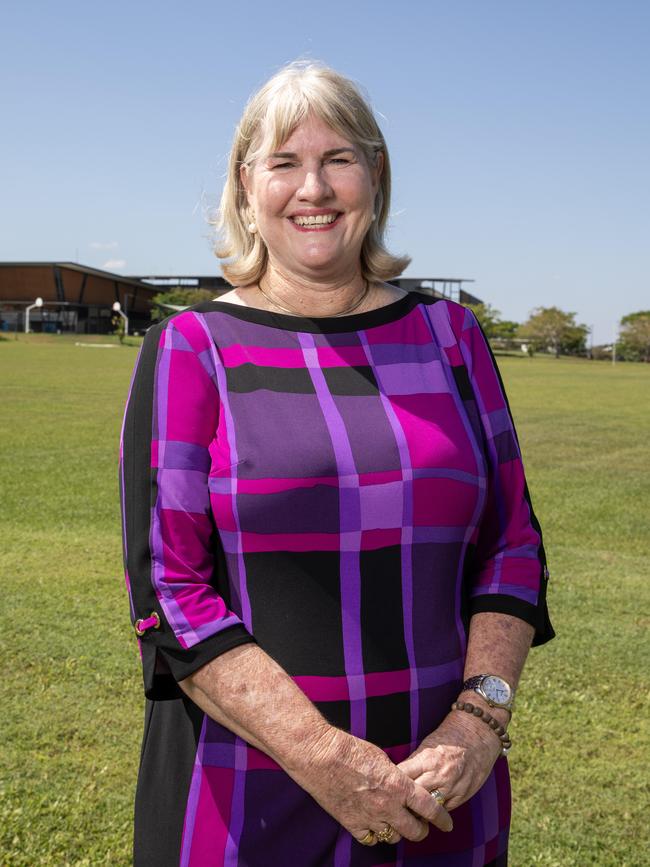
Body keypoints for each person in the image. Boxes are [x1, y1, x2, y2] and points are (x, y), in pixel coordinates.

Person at [118, 60, 554, 867]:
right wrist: (325, 756)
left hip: (442, 792)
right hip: (245, 801)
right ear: (247, 187)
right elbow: (170, 594)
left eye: (338, 159)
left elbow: (514, 546)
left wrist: (477, 724)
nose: (312, 188)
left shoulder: (452, 338)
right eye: (284, 163)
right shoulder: (190, 348)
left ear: (376, 176)